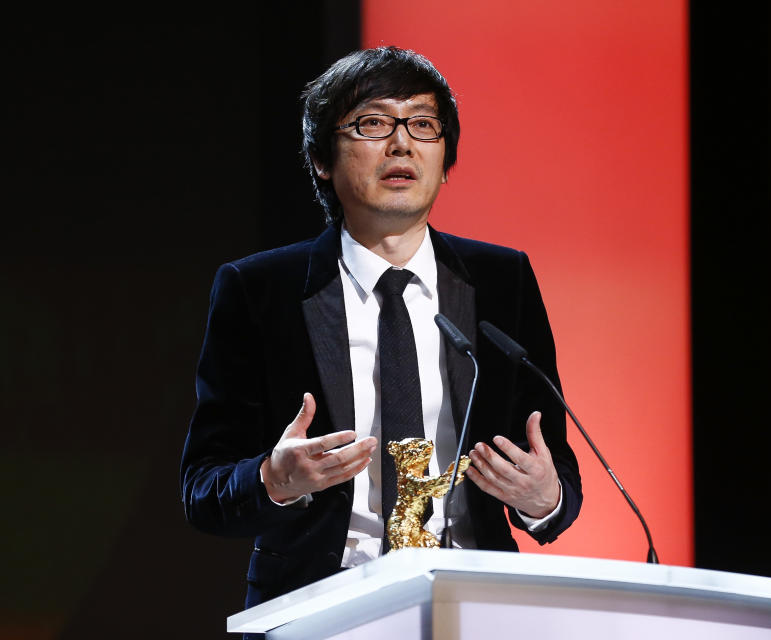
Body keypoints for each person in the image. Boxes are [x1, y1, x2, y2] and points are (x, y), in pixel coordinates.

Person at [180, 46, 582, 612]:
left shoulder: (502, 280)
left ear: (445, 159)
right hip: (319, 606)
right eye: (372, 123)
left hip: (474, 605)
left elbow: (555, 468)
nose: (402, 144)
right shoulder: (259, 289)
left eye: (423, 124)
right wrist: (275, 479)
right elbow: (204, 488)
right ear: (322, 158)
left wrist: (543, 498)